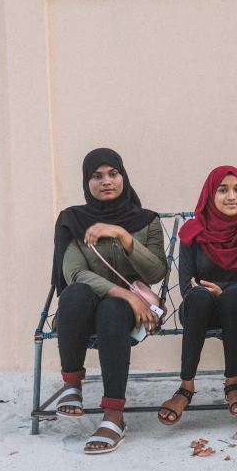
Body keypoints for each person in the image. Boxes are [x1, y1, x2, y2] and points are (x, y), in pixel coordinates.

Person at [52, 148, 166, 454]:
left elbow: (156, 270)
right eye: (97, 176)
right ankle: (72, 386)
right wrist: (124, 293)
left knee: (113, 310)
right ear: (86, 182)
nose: (106, 181)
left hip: (123, 315)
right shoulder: (73, 220)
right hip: (83, 310)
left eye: (113, 174)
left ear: (123, 177)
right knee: (76, 294)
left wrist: (123, 236)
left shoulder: (146, 221)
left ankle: (114, 415)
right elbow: (73, 273)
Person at [157, 166, 237, 424]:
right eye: (223, 190)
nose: (232, 196)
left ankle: (232, 384)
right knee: (199, 297)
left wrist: (231, 291)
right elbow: (188, 287)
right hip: (200, 311)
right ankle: (186, 387)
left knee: (231, 299)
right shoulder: (192, 233)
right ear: (210, 194)